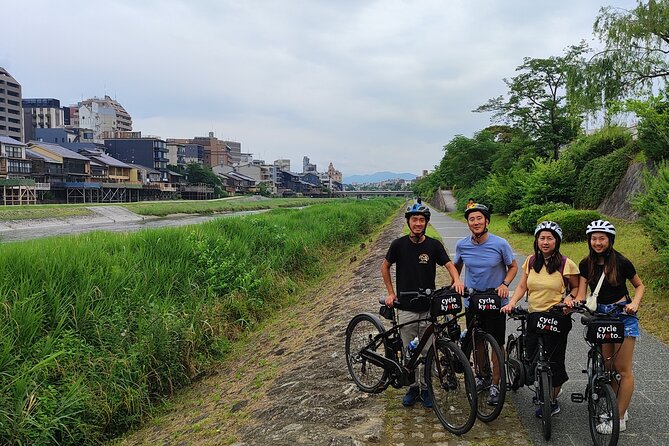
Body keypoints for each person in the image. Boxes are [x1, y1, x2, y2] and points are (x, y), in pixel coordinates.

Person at [382, 203, 465, 408]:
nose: (418, 223)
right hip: (405, 308)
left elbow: (449, 265)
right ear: (409, 222)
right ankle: (413, 389)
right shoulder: (398, 244)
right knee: (409, 352)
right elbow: (385, 267)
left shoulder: (434, 245)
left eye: (421, 220)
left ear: (426, 222)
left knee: (428, 351)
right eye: (414, 220)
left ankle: (426, 389)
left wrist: (457, 281)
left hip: (428, 307)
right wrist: (391, 293)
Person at [501, 221, 580, 417]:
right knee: (533, 356)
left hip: (557, 316)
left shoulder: (566, 263)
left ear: (557, 241)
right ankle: (541, 383)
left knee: (555, 360)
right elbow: (522, 286)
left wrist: (569, 300)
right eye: (542, 238)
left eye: (550, 238)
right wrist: (511, 302)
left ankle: (552, 400)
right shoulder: (530, 261)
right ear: (536, 240)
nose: (545, 242)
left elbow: (577, 288)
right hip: (534, 316)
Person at [575, 220, 644, 434]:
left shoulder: (622, 262)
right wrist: (575, 303)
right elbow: (581, 291)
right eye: (594, 238)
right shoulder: (586, 263)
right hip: (601, 316)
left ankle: (620, 417)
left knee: (623, 370)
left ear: (610, 240)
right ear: (589, 241)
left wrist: (634, 303)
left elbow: (639, 285)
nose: (598, 242)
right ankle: (616, 406)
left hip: (623, 315)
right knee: (608, 367)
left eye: (602, 238)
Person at [454, 203, 517, 406]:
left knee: (497, 344)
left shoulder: (500, 244)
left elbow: (513, 266)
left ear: (487, 221)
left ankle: (496, 384)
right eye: (472, 219)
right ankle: (482, 375)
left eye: (479, 218)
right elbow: (456, 266)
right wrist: (456, 282)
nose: (476, 222)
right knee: (477, 341)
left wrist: (505, 284)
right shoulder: (462, 245)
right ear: (468, 223)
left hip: (495, 300)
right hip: (472, 300)